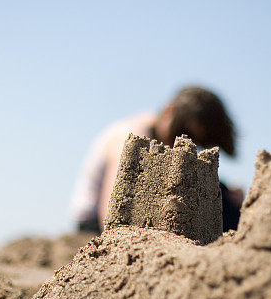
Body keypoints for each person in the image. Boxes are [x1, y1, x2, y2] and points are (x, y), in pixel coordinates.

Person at [71, 86, 242, 233]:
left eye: (195, 143)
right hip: (92, 223)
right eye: (181, 133)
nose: (184, 145)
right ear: (169, 110)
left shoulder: (157, 133)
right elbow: (112, 211)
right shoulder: (133, 137)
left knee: (221, 199)